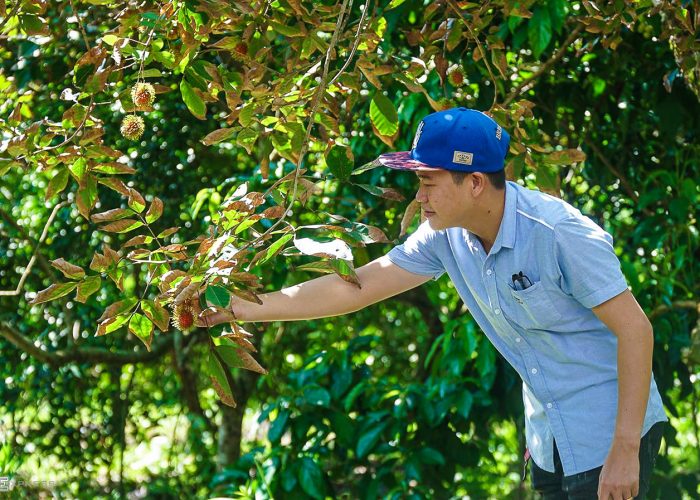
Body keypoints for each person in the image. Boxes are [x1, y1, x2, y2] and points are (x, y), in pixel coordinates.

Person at [202, 107, 667, 499]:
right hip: (551, 438)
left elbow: (635, 330)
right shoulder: (445, 237)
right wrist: (242, 305)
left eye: (429, 182)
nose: (418, 196)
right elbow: (355, 287)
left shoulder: (557, 233)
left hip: (611, 432)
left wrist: (625, 448)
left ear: (476, 184)